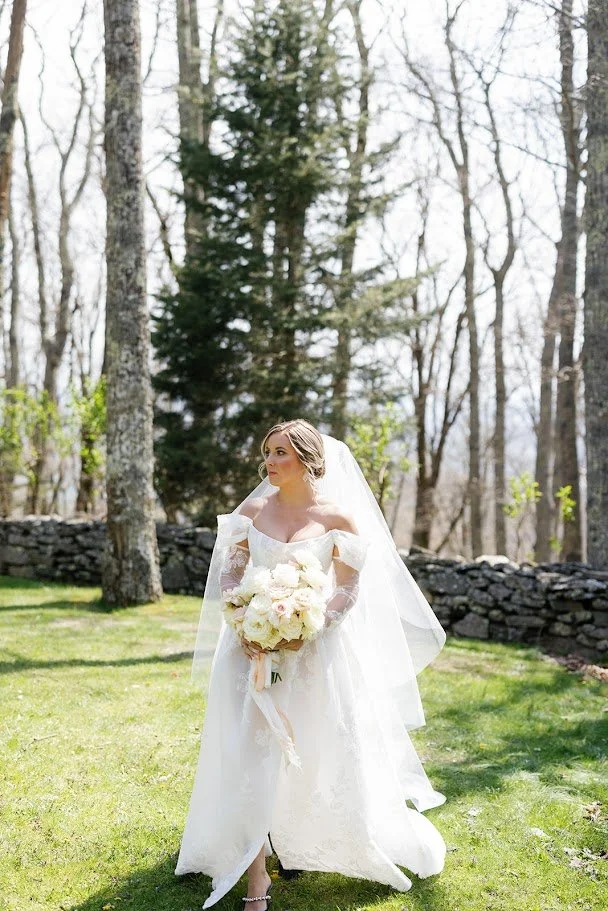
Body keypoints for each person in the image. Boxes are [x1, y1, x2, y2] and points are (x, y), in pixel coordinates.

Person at [175, 419, 447, 909]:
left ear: (307, 458)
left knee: (317, 752)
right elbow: (232, 576)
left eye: (280, 452)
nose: (269, 462)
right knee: (248, 756)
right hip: (249, 655)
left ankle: (299, 838)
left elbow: (347, 588)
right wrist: (248, 626)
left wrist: (308, 629)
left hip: (314, 658)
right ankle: (256, 879)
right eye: (267, 452)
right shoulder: (253, 510)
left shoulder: (338, 518)